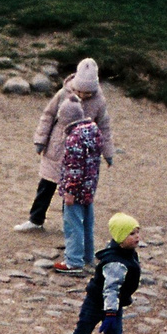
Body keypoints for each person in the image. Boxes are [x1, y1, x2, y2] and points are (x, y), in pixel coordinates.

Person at [23, 58, 114, 255]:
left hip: (80, 155)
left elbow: (104, 127)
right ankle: (35, 219)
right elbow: (48, 115)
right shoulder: (63, 93)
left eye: (87, 93)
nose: (83, 95)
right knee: (46, 185)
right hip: (57, 149)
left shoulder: (99, 101)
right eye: (80, 91)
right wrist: (40, 140)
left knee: (71, 192)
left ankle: (70, 227)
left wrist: (108, 152)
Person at [53, 213, 142, 334]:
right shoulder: (115, 263)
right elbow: (111, 289)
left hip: (114, 305)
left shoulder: (127, 254)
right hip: (97, 304)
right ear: (119, 238)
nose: (137, 237)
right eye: (131, 234)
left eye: (137, 232)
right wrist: (110, 313)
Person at [49, 91, 107, 274]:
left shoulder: (74, 138)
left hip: (76, 191)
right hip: (89, 188)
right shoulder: (93, 131)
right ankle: (88, 256)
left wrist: (70, 191)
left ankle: (73, 261)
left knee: (73, 225)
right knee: (87, 224)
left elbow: (74, 168)